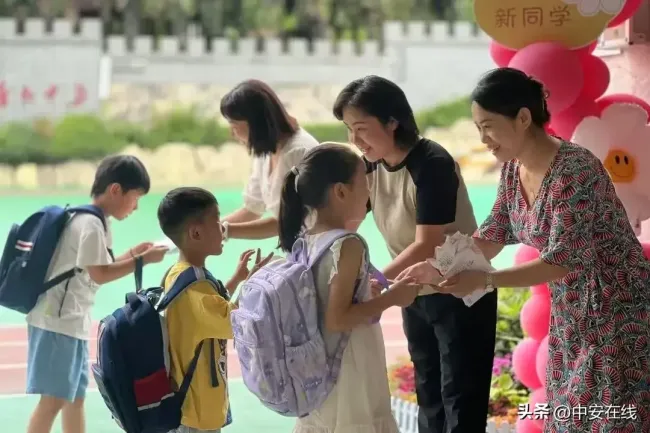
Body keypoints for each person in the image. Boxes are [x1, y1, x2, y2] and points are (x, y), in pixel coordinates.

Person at [401, 67, 650, 432]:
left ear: (522, 118)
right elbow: (494, 233)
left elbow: (559, 261)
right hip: (572, 315)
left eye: (488, 125)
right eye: (477, 128)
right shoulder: (512, 169)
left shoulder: (575, 170)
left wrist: (484, 280)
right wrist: (438, 267)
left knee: (609, 420)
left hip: (617, 313)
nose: (483, 138)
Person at [332, 75, 497, 433]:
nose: (354, 140)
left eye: (361, 128)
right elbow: (347, 221)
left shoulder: (432, 162)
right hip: (415, 292)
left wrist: (373, 280)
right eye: (349, 130)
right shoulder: (370, 166)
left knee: (460, 400)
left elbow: (427, 243)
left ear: (393, 122)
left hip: (459, 290)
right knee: (428, 394)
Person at [277, 143, 420, 433]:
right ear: (341, 192)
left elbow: (327, 302)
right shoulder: (348, 244)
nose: (369, 190)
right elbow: (338, 318)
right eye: (364, 182)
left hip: (319, 367)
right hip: (348, 365)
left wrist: (366, 293)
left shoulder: (305, 240)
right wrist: (394, 296)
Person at [25, 155, 168, 433]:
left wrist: (134, 254)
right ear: (116, 190)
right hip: (57, 321)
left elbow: (100, 267)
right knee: (53, 400)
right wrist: (142, 261)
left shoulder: (96, 221)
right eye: (135, 197)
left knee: (75, 398)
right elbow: (99, 274)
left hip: (69, 320)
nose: (136, 206)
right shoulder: (90, 225)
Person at [157, 187, 273, 433]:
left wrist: (238, 280)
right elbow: (234, 321)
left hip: (188, 405)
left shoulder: (181, 274)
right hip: (194, 413)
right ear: (196, 232)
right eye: (217, 220)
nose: (223, 227)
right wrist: (254, 284)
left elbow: (210, 309)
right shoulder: (195, 287)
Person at [220, 79, 319, 240]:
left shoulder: (299, 152)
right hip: (300, 252)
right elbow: (253, 208)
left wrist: (223, 231)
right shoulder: (264, 152)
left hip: (320, 252)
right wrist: (208, 230)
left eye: (235, 125)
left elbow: (291, 222)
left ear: (255, 122)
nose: (232, 133)